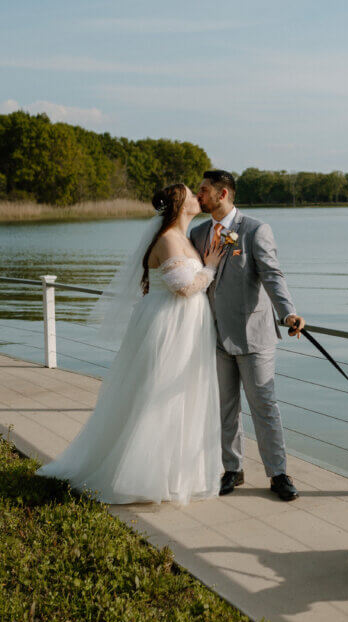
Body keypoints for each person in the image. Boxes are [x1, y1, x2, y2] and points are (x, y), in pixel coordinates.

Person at [38, 184, 225, 504]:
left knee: (181, 396)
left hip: (186, 328)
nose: (198, 198)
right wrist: (209, 268)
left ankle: (173, 475)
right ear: (180, 205)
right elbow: (182, 287)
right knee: (157, 394)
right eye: (192, 195)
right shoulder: (167, 239)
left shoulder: (185, 239)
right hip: (167, 327)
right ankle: (142, 477)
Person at [191, 170, 305, 501]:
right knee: (225, 407)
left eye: (204, 191)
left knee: (264, 406)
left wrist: (288, 313)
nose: (199, 196)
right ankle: (233, 469)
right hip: (214, 336)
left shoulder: (255, 230)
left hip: (254, 337)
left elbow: (273, 275)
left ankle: (279, 474)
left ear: (222, 193)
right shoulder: (198, 233)